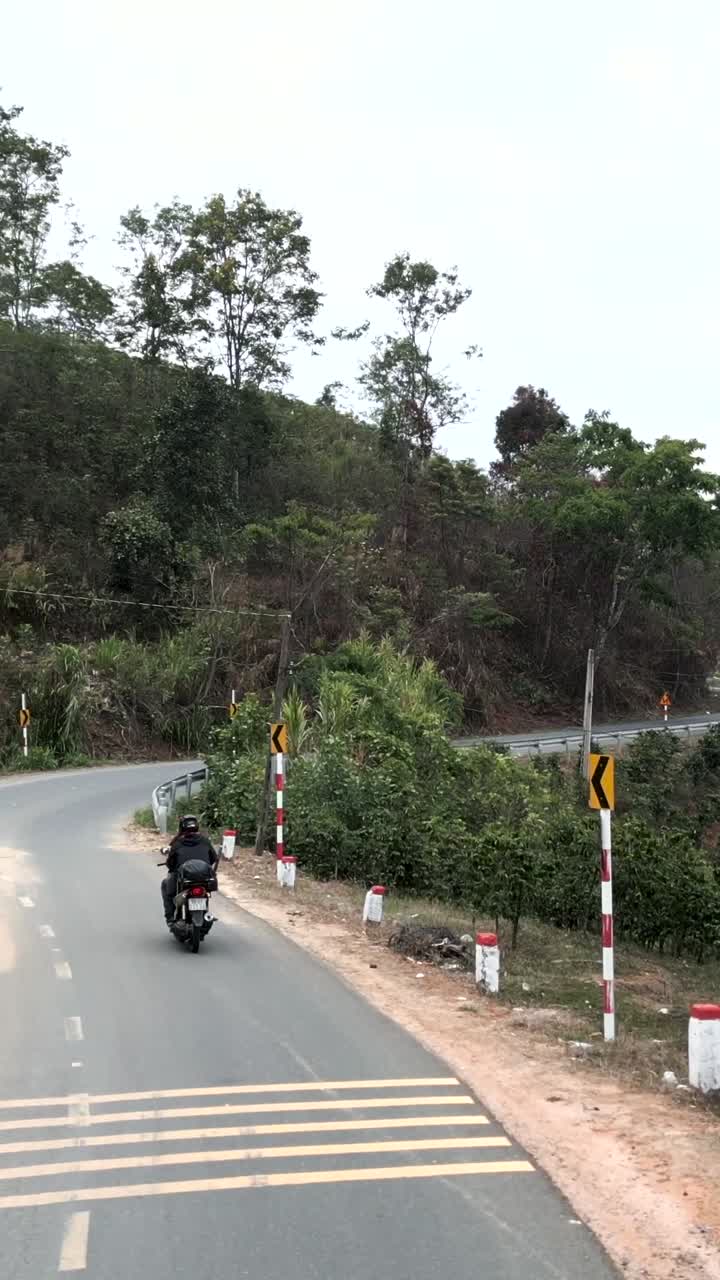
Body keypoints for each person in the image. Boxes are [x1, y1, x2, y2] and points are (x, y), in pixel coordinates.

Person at [161, 815, 218, 924]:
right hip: (204, 877)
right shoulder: (205, 840)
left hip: (185, 879)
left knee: (165, 885)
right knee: (206, 892)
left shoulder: (177, 843)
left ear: (181, 827)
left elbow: (171, 864)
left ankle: (170, 918)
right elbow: (213, 858)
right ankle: (205, 915)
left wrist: (172, 865)